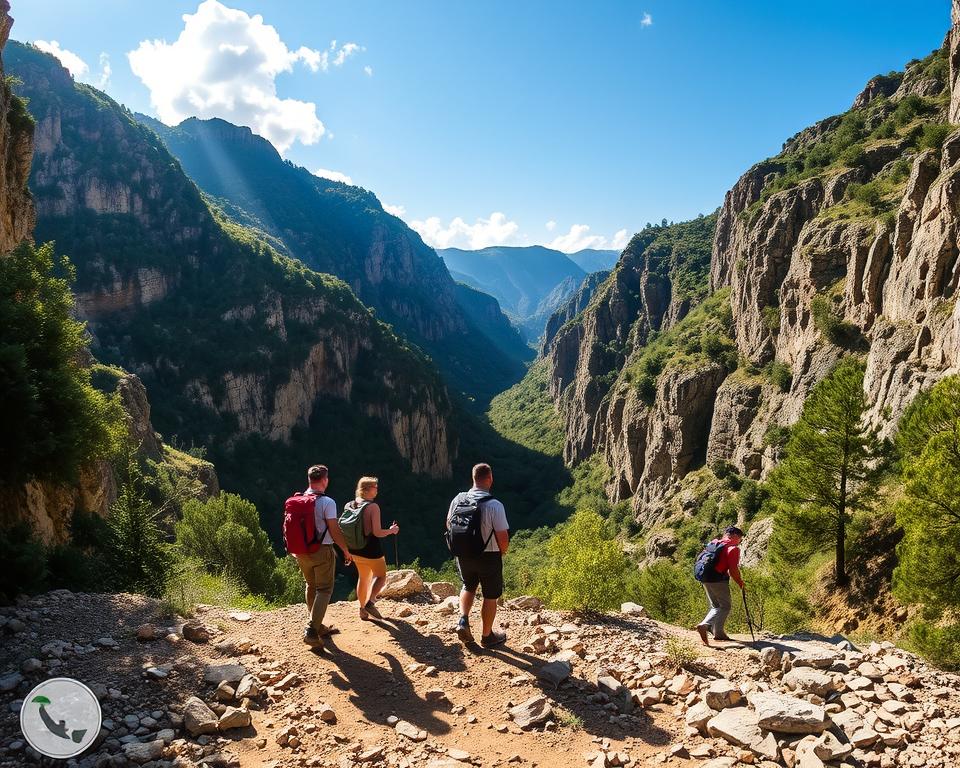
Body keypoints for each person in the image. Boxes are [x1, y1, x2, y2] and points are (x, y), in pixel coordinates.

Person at [448, 462, 510, 648]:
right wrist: (503, 552)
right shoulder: (495, 505)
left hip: (463, 554)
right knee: (490, 595)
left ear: (473, 478)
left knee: (468, 585)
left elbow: (449, 525)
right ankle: (487, 636)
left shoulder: (458, 499)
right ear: (490, 479)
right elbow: (503, 537)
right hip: (488, 556)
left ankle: (463, 621)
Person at [295, 465, 354, 648]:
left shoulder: (299, 499)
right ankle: (311, 630)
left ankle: (317, 624)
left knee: (311, 585)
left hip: (301, 551)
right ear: (325, 480)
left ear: (309, 479)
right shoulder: (327, 502)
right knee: (325, 589)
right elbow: (334, 530)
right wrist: (345, 549)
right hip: (321, 550)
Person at [344, 476, 399, 621]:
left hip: (355, 549)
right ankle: (370, 602)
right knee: (381, 576)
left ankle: (362, 610)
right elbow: (377, 532)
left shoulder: (350, 504)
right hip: (371, 549)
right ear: (367, 489)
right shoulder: (372, 507)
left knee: (363, 577)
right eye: (375, 487)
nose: (377, 490)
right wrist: (391, 530)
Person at [695, 525, 746, 646]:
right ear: (735, 536)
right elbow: (733, 570)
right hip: (718, 579)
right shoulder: (732, 549)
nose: (739, 542)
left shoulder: (714, 543)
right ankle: (704, 625)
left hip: (704, 577)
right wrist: (741, 583)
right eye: (740, 539)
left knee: (716, 605)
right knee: (725, 606)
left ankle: (718, 633)